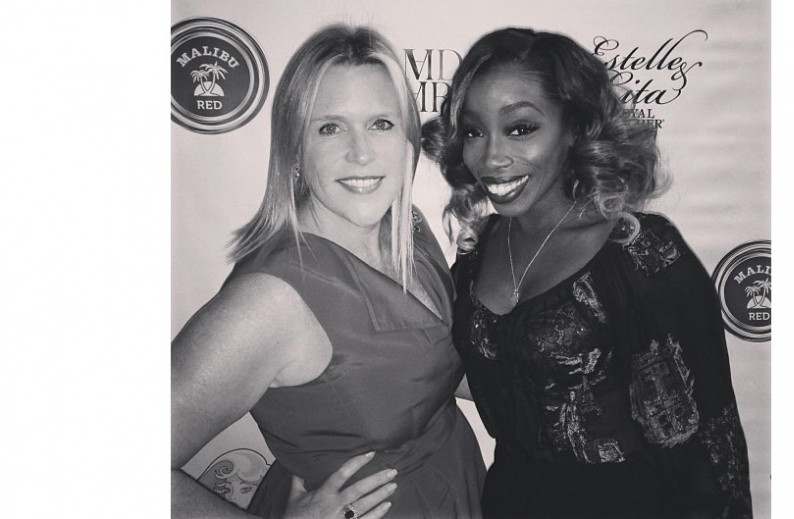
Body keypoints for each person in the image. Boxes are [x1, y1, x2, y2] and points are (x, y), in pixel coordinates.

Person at [422, 27, 752, 518]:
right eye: (474, 131)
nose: (490, 157)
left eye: (520, 128)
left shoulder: (638, 253)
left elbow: (712, 449)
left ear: (574, 127)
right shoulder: (477, 252)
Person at [172, 24, 485, 519]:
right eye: (330, 128)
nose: (361, 153)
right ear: (295, 150)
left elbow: (431, 370)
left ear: (408, 138)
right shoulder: (270, 300)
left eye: (381, 123)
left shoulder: (408, 228)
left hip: (457, 480)